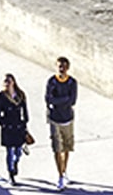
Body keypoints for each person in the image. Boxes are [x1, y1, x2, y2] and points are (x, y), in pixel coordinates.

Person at [45, 57, 77, 189]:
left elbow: (73, 100)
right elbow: (48, 99)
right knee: (57, 148)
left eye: (64, 66)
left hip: (68, 119)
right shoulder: (52, 82)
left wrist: (58, 100)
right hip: (55, 119)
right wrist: (64, 99)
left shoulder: (72, 82)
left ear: (67, 68)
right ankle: (59, 176)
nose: (61, 69)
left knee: (67, 147)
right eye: (59, 66)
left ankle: (64, 171)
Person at [0, 73, 32, 184]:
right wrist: (3, 123)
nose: (7, 83)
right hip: (8, 127)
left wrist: (25, 122)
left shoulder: (20, 95)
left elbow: (25, 110)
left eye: (9, 81)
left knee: (18, 151)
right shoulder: (1, 96)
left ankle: (15, 163)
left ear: (13, 82)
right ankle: (10, 173)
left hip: (18, 126)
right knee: (9, 152)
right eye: (5, 81)